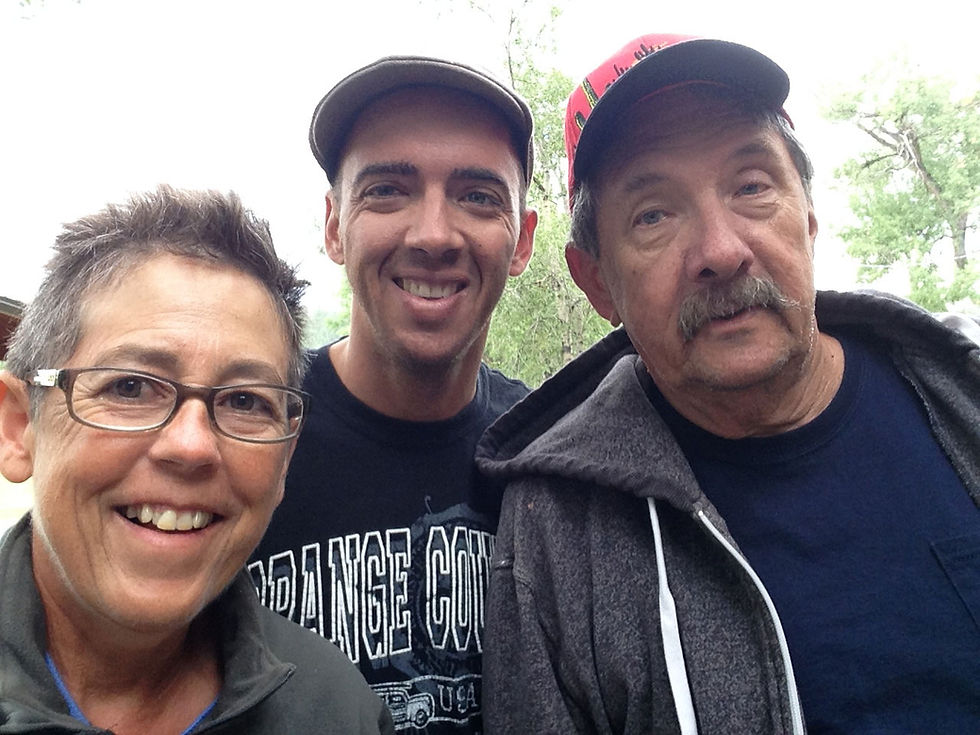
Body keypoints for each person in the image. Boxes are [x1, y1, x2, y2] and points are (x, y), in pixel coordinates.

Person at [477, 33, 980, 734]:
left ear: (807, 214)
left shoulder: (962, 396)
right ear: (598, 284)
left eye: (751, 186)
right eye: (654, 214)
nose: (720, 249)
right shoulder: (555, 535)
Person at [0, 185, 393, 734]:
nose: (191, 446)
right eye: (131, 387)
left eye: (243, 402)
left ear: (286, 457)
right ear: (19, 427)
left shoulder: (334, 710)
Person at [247, 56, 537, 732]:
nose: (433, 234)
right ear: (332, 225)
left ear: (521, 240)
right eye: (387, 190)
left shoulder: (548, 455)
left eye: (477, 196)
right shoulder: (243, 439)